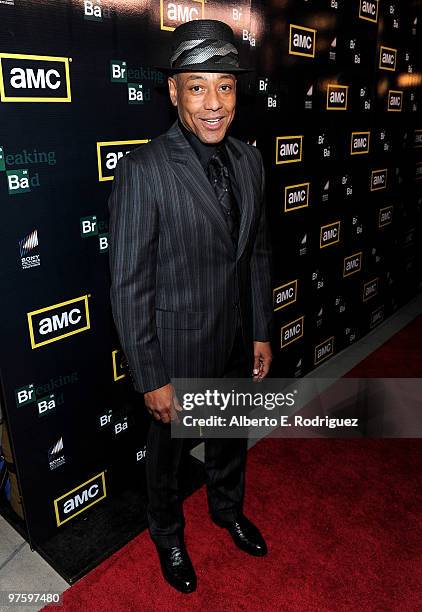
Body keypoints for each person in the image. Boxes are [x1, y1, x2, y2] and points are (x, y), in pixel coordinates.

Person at [108, 19, 273, 594]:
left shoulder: (250, 163)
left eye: (224, 87)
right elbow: (129, 285)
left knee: (229, 435)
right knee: (168, 462)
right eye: (197, 86)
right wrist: (150, 376)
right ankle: (168, 534)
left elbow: (253, 255)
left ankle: (227, 510)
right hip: (175, 353)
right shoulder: (143, 170)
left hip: (233, 339)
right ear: (173, 90)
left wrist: (260, 331)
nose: (213, 103)